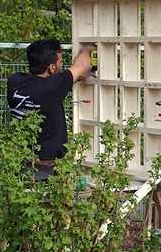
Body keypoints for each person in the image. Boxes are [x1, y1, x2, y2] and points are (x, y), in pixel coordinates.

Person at [6, 39, 96, 174]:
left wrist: (75, 78)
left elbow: (48, 86)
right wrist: (86, 49)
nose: (62, 65)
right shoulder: (50, 88)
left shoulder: (15, 81)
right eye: (60, 62)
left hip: (22, 164)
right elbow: (81, 65)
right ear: (51, 67)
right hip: (46, 170)